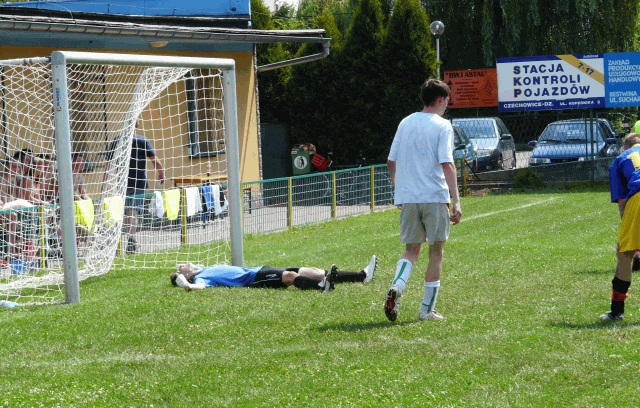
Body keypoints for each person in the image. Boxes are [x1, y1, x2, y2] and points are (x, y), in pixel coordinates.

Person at [384, 78, 462, 322]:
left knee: (410, 251)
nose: (447, 105)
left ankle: (397, 285)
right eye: (447, 100)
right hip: (434, 197)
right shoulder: (443, 126)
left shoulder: (405, 122)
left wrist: (399, 191)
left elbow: (391, 161)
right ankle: (427, 309)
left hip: (409, 198)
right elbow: (447, 164)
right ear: (440, 99)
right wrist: (456, 200)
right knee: (436, 252)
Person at [106, 121, 165, 254]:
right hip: (139, 183)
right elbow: (155, 161)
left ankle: (129, 239)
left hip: (123, 183)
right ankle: (131, 239)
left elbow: (108, 164)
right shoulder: (142, 140)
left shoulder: (117, 140)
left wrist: (105, 182)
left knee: (128, 212)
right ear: (137, 126)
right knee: (133, 212)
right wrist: (161, 174)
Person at [170, 255, 377, 292]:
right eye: (182, 268)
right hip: (254, 279)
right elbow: (198, 287)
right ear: (186, 275)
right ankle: (321, 287)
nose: (186, 264)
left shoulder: (205, 268)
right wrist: (186, 284)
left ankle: (360, 276)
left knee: (311, 270)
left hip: (260, 269)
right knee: (289, 277)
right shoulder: (201, 277)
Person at [600, 132, 640, 322]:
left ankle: (616, 311)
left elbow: (622, 202)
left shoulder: (621, 158)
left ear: (625, 147)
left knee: (624, 255)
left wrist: (627, 236)